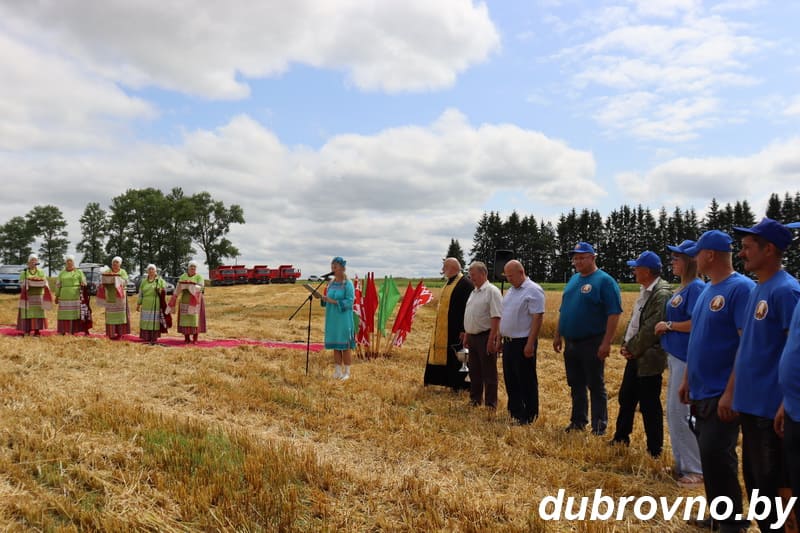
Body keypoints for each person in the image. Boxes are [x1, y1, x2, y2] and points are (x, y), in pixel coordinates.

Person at [678, 230, 755, 533]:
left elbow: (744, 344)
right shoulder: (708, 290)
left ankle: (732, 522)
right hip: (701, 388)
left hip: (722, 390)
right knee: (710, 457)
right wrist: (687, 379)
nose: (694, 259)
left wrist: (730, 392)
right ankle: (719, 514)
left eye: (697, 253)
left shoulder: (741, 290)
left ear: (709, 255)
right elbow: (697, 339)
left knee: (719, 456)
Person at [732, 219, 800, 533]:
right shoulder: (761, 288)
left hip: (770, 411)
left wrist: (785, 402)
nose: (742, 254)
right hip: (752, 407)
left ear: (769, 249)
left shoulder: (786, 291)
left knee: (777, 494)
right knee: (759, 489)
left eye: (747, 248)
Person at [553, 242, 622, 436]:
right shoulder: (574, 279)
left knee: (595, 384)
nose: (577, 261)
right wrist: (558, 334)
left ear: (593, 258)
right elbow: (563, 309)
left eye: (582, 257)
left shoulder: (605, 281)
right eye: (575, 258)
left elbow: (614, 313)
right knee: (575, 384)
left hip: (592, 341)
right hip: (571, 342)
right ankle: (578, 421)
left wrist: (607, 342)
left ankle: (599, 425)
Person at [609, 251, 671, 457]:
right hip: (637, 355)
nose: (633, 270)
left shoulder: (661, 294)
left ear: (646, 271)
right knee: (626, 397)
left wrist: (632, 348)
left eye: (636, 267)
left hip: (648, 358)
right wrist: (626, 343)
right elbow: (635, 321)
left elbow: (651, 327)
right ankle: (621, 437)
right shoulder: (646, 291)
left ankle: (655, 449)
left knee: (649, 404)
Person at [654, 239, 705, 487]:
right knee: (674, 413)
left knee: (680, 412)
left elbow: (698, 323)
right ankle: (682, 464)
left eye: (677, 258)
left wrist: (670, 326)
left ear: (689, 261)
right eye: (672, 257)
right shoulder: (683, 287)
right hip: (675, 357)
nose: (672, 262)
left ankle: (695, 469)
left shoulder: (696, 288)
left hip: (686, 358)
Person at [499, 259, 545, 425]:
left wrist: (530, 343)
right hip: (509, 342)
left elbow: (537, 317)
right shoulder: (511, 291)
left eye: (511, 276)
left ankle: (529, 415)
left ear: (521, 272)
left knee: (526, 379)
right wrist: (500, 338)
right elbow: (505, 316)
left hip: (523, 341)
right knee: (511, 379)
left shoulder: (533, 290)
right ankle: (515, 412)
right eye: (507, 276)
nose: (509, 279)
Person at [425, 257, 474, 391]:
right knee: (447, 356)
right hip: (445, 328)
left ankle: (460, 384)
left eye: (444, 267)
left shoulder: (465, 284)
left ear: (452, 268)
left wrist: (464, 329)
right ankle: (447, 381)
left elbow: (468, 309)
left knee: (457, 357)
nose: (442, 270)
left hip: (457, 329)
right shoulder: (448, 283)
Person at [463, 261, 502, 409]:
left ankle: (491, 404)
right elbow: (471, 315)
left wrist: (492, 338)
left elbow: (496, 316)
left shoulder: (492, 291)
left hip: (485, 336)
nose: (471, 278)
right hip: (473, 336)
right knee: (474, 371)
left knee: (489, 372)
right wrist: (467, 334)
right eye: (470, 275)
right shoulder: (474, 292)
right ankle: (475, 399)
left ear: (483, 274)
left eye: (473, 275)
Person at [321, 256, 355, 380]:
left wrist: (334, 301)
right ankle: (337, 371)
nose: (333, 269)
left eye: (335, 267)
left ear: (342, 268)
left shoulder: (348, 284)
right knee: (335, 346)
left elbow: (350, 302)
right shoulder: (330, 283)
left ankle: (347, 372)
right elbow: (328, 299)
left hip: (344, 319)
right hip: (332, 318)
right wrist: (324, 300)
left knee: (344, 347)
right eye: (332, 267)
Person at [17, 254, 52, 336]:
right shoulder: (24, 272)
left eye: (35, 260)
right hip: (28, 296)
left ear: (37, 262)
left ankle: (37, 330)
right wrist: (26, 283)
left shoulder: (41, 272)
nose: (33, 262)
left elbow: (44, 281)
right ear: (28, 262)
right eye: (32, 260)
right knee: (27, 312)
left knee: (38, 313)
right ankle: (27, 330)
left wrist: (42, 282)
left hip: (38, 295)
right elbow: (21, 283)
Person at [97, 256, 130, 339]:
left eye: (117, 263)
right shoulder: (108, 271)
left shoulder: (123, 272)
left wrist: (116, 278)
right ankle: (111, 334)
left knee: (120, 315)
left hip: (120, 298)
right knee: (111, 315)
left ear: (120, 264)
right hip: (110, 296)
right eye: (113, 263)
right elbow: (103, 280)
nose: (115, 265)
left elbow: (126, 282)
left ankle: (120, 334)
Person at [54, 255, 88, 335]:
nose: (69, 262)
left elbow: (84, 281)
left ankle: (74, 331)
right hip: (64, 295)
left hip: (75, 295)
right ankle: (63, 331)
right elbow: (58, 284)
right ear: (65, 262)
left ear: (73, 262)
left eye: (71, 261)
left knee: (74, 313)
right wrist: (57, 295)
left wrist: (83, 283)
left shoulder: (79, 272)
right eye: (68, 261)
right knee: (64, 314)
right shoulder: (62, 273)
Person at [174, 260, 206, 343]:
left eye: (194, 267)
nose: (192, 268)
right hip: (185, 298)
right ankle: (187, 338)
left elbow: (201, 287)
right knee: (185, 318)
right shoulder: (183, 276)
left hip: (195, 299)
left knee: (194, 319)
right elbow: (178, 286)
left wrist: (191, 285)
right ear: (188, 268)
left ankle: (195, 338)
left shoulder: (199, 277)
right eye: (191, 267)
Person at [136, 264, 168, 345]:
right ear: (147, 271)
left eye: (152, 269)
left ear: (155, 271)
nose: (151, 271)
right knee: (146, 320)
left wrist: (160, 290)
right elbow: (140, 293)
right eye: (149, 269)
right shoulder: (144, 282)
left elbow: (165, 290)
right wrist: (138, 304)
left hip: (156, 303)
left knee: (154, 320)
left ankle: (154, 337)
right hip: (146, 303)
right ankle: (146, 337)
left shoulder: (159, 280)